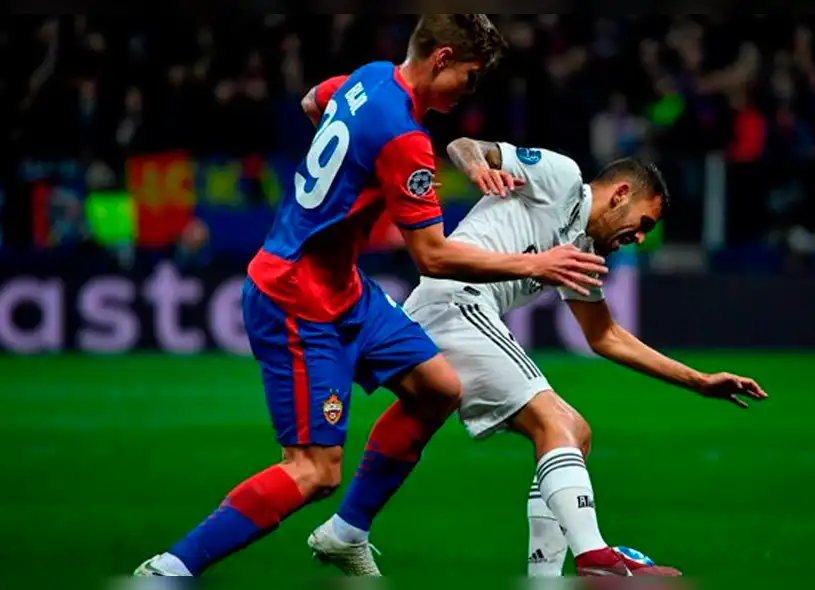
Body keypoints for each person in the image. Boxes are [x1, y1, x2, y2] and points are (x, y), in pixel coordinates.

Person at [133, 15, 606, 578]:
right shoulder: (406, 139)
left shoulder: (370, 77)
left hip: (344, 289)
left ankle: (347, 533)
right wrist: (537, 264)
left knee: (438, 388)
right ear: (442, 58)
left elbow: (314, 101)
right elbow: (433, 257)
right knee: (314, 470)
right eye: (470, 75)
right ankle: (171, 568)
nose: (471, 90)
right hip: (295, 298)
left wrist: (351, 178)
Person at [326, 138, 767, 577]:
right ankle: (595, 556)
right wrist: (477, 166)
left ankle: (544, 578)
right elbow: (464, 144)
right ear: (620, 194)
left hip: (460, 311)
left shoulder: (584, 250)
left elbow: (605, 336)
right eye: (643, 223)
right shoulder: (561, 177)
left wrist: (699, 381)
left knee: (575, 433)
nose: (639, 238)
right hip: (455, 302)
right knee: (554, 422)